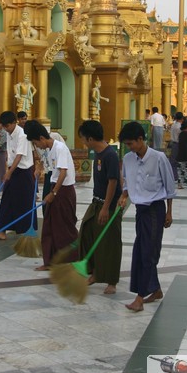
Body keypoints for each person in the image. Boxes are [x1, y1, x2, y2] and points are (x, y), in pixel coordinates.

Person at [117, 121, 176, 313]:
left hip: (155, 211)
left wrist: (169, 212)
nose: (129, 147)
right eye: (127, 144)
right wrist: (124, 195)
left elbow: (169, 187)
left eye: (131, 143)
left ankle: (140, 297)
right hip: (140, 211)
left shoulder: (158, 158)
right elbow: (127, 181)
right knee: (141, 251)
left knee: (148, 253)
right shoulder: (128, 159)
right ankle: (156, 290)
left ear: (141, 139)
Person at [25, 121, 79, 271]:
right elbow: (50, 168)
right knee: (49, 226)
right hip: (54, 188)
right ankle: (50, 261)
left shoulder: (60, 148)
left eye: (36, 142)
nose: (38, 146)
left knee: (65, 228)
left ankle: (76, 258)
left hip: (63, 191)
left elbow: (63, 172)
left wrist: (53, 193)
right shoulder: (49, 149)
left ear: (42, 138)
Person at [77, 120, 122, 295]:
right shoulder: (98, 153)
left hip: (108, 205)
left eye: (83, 139)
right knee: (87, 234)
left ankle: (111, 281)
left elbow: (113, 181)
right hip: (96, 202)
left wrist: (106, 207)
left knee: (109, 243)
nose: (82, 142)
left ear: (89, 138)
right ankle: (94, 272)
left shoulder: (110, 154)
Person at [0, 111, 36, 240]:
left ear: (14, 123)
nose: (6, 129)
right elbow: (10, 153)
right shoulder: (9, 133)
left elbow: (19, 155)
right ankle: (1, 230)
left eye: (7, 126)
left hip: (23, 171)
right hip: (12, 169)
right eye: (4, 126)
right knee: (7, 200)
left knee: (25, 201)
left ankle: (26, 230)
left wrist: (9, 172)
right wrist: (8, 168)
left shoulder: (22, 135)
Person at [168, 112, 184, 180]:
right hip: (179, 144)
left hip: (173, 143)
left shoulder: (173, 125)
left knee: (173, 161)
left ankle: (174, 175)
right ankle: (178, 175)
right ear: (182, 118)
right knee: (179, 161)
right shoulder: (180, 127)